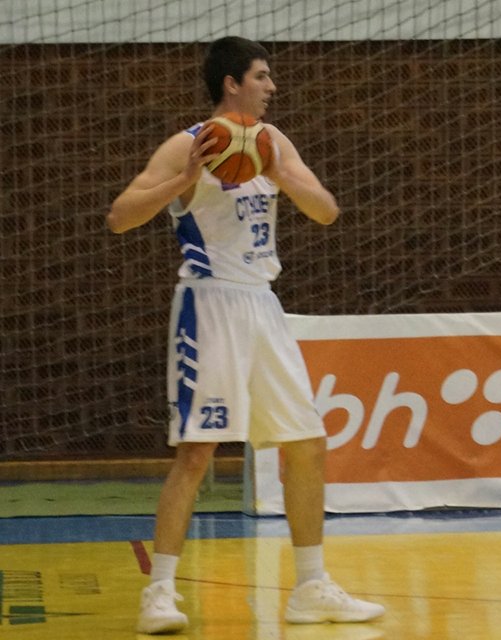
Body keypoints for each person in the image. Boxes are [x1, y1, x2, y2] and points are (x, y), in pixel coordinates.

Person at [107, 36, 385, 634]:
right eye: (261, 76)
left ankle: (310, 586)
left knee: (307, 443)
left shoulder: (272, 141)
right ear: (232, 83)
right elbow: (121, 216)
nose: (271, 86)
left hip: (262, 303)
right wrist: (185, 178)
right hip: (209, 305)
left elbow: (326, 210)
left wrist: (280, 172)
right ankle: (159, 591)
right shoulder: (186, 145)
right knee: (196, 454)